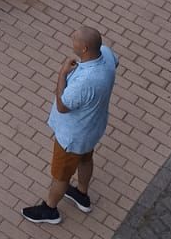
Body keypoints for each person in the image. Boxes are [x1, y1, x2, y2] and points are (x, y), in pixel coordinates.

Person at [22, 26, 118, 226]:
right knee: (85, 160)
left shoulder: (84, 82)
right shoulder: (107, 55)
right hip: (92, 130)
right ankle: (82, 194)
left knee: (60, 177)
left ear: (84, 48)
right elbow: (116, 62)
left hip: (72, 137)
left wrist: (63, 73)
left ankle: (50, 210)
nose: (71, 41)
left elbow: (63, 106)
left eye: (74, 40)